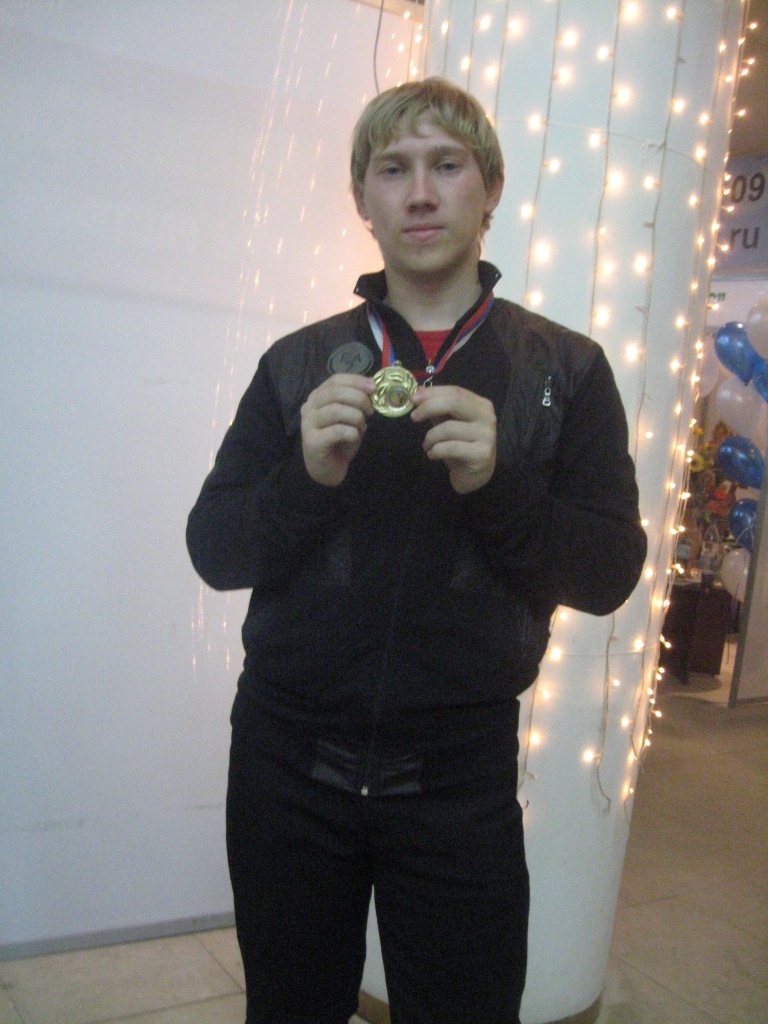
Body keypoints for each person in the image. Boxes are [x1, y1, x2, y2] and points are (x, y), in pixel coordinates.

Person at [187, 77, 647, 1024]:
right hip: (286, 765)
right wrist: (303, 478)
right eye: (393, 169)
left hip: (457, 781)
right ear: (364, 198)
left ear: (491, 188)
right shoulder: (298, 363)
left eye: (447, 165)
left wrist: (501, 485)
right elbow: (215, 550)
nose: (422, 193)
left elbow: (608, 573)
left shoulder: (566, 371)